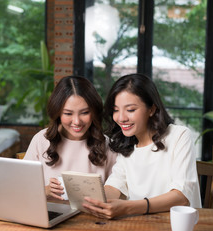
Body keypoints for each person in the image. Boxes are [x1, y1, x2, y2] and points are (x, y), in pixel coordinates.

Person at [83, 73, 201, 219]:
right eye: (115, 110)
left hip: (179, 227)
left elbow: (181, 196)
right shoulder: (126, 145)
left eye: (130, 110)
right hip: (140, 226)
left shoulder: (179, 136)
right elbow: (115, 186)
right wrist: (91, 199)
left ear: (151, 109)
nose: (121, 118)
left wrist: (128, 208)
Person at [24, 76, 117, 200]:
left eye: (84, 112)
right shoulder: (41, 140)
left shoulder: (106, 144)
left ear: (94, 111)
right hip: (50, 214)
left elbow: (117, 191)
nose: (77, 122)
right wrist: (45, 190)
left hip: (93, 216)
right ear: (57, 113)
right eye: (68, 113)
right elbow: (22, 187)